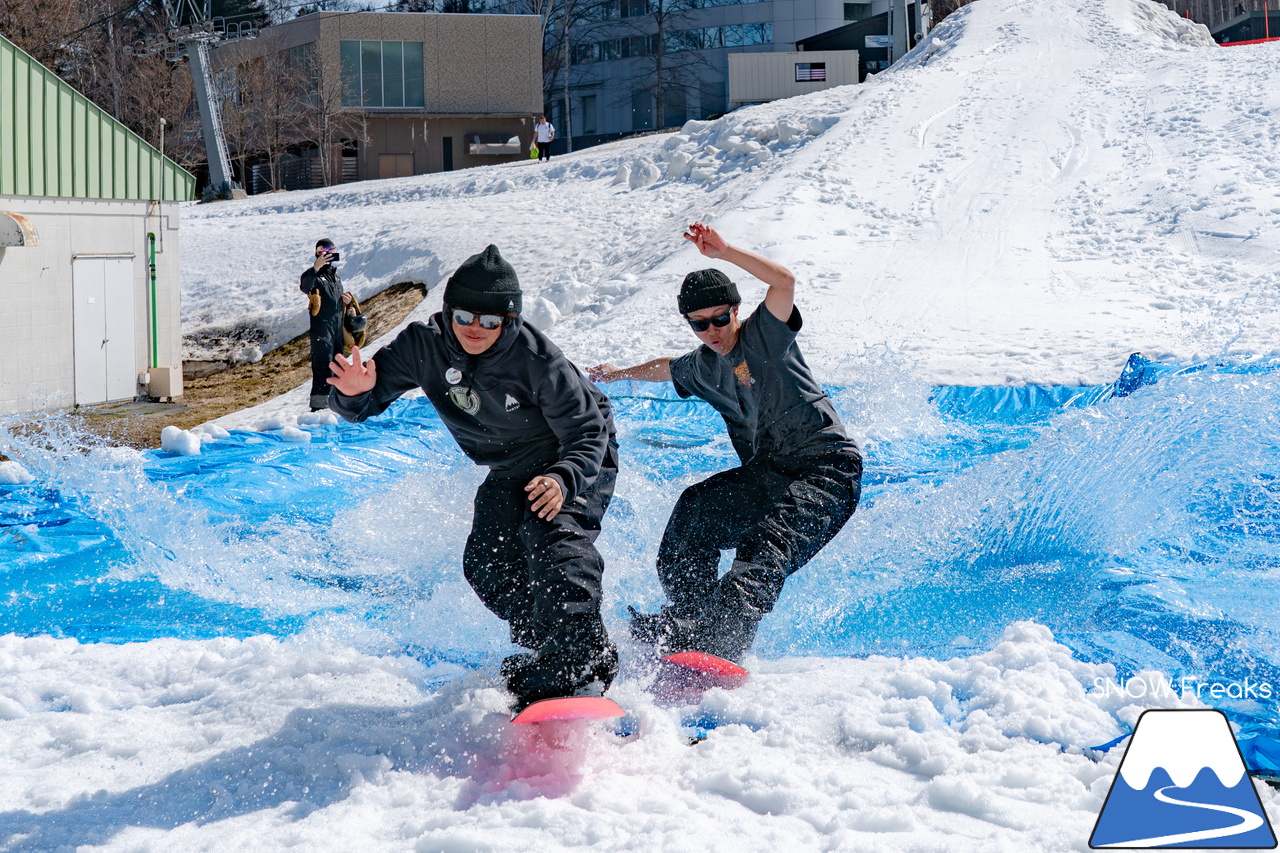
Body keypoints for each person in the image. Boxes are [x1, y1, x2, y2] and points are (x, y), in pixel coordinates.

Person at [328, 245, 620, 709]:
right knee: (487, 563)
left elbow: (587, 432)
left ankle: (577, 651)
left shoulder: (538, 359)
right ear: (448, 310)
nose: (474, 329)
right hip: (511, 465)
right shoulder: (422, 345)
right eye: (464, 315)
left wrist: (563, 479)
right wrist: (351, 394)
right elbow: (361, 400)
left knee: (554, 533)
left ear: (509, 320)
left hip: (576, 453)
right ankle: (559, 646)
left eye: (490, 321)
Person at [588, 223, 863, 663]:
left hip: (826, 471)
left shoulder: (765, 336)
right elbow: (667, 367)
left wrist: (726, 252)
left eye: (720, 318)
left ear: (735, 310)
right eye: (700, 325)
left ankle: (723, 641)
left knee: (764, 548)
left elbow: (784, 282)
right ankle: (691, 622)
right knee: (692, 515)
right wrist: (619, 373)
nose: (713, 331)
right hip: (768, 476)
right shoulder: (701, 366)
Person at [300, 238, 344, 412]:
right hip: (321, 327)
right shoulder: (315, 275)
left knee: (338, 363)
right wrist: (315, 268)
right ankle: (319, 408)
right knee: (323, 365)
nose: (325, 252)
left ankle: (337, 404)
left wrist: (345, 300)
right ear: (317, 253)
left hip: (337, 326)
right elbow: (305, 286)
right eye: (321, 249)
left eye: (329, 248)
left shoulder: (335, 275)